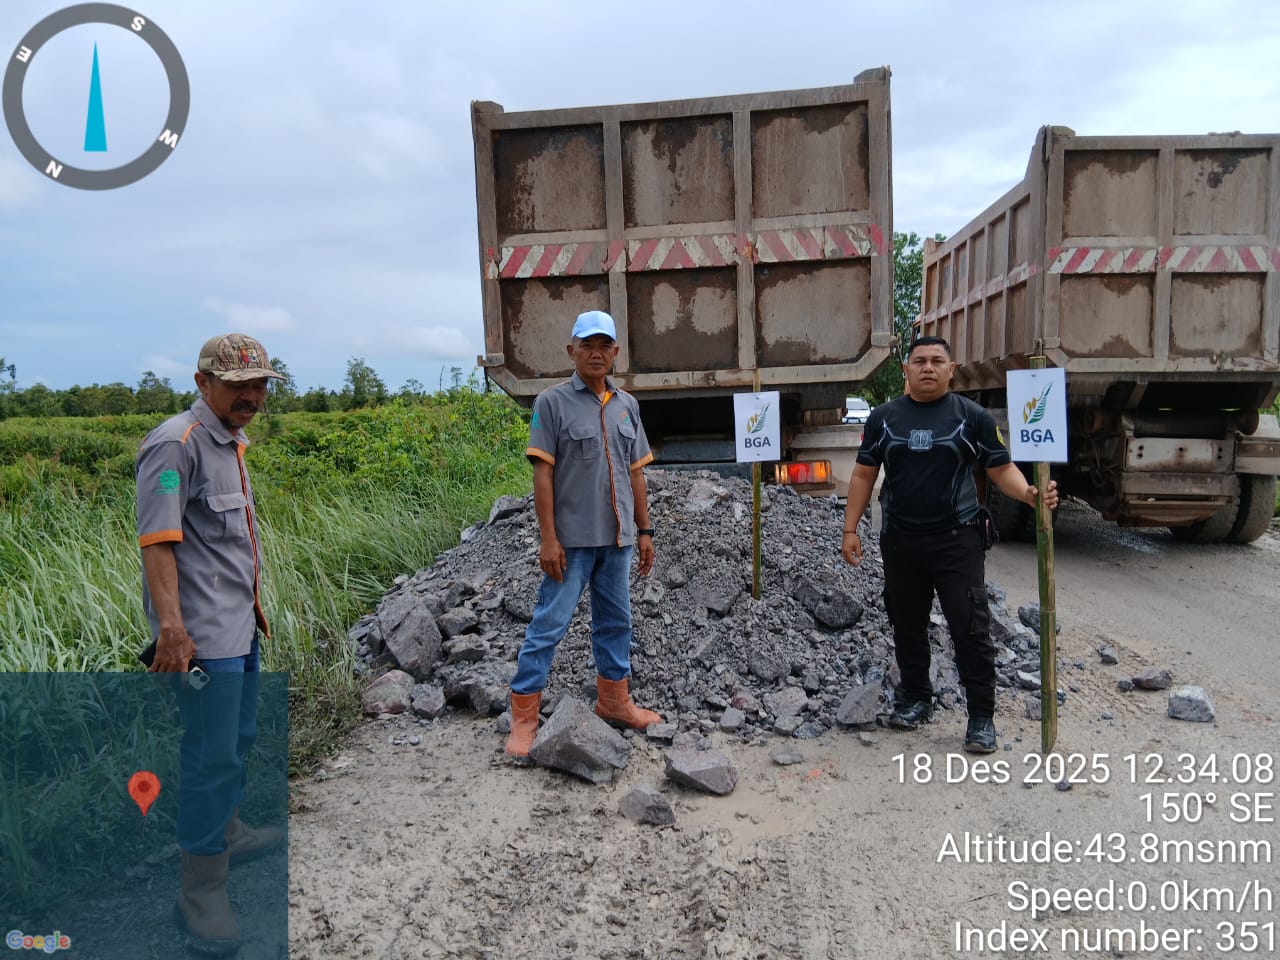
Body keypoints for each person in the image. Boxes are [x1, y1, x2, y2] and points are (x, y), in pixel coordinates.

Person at [136, 333, 287, 952]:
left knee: (239, 739)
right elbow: (159, 541)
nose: (252, 395)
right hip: (201, 641)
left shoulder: (231, 441)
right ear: (203, 383)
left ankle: (227, 830)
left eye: (260, 384)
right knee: (209, 758)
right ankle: (200, 891)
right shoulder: (178, 444)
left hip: (239, 626)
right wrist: (172, 631)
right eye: (238, 385)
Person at [840, 336, 1059, 753]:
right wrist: (850, 529)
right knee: (907, 623)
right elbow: (864, 474)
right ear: (906, 369)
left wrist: (1030, 494)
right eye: (919, 361)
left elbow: (1000, 468)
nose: (928, 367)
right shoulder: (884, 418)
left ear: (951, 368)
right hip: (901, 540)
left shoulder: (972, 417)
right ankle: (916, 699)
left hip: (957, 540)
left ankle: (981, 717)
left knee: (970, 627)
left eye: (937, 361)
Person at [504, 310, 661, 761]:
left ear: (615, 352)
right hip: (570, 543)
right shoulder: (551, 404)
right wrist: (548, 538)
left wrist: (644, 530)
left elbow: (636, 476)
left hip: (618, 541)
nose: (596, 353)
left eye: (604, 345)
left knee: (617, 622)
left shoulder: (627, 406)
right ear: (570, 350)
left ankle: (614, 702)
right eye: (586, 345)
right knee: (548, 625)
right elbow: (542, 476)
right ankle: (524, 718)